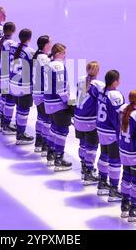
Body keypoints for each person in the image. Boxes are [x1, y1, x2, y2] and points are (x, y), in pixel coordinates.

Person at [118, 90, 136, 222]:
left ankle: (124, 205)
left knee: (126, 177)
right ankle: (134, 208)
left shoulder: (123, 110)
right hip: (135, 154)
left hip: (123, 151)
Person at [96, 70, 124, 201]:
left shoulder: (102, 91)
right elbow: (118, 116)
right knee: (115, 160)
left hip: (101, 128)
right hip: (111, 132)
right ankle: (113, 189)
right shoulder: (115, 95)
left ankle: (102, 182)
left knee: (104, 155)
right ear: (115, 82)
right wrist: (121, 132)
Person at [44, 43, 72, 171]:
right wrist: (70, 103)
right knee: (62, 130)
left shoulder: (48, 64)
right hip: (58, 103)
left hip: (48, 102)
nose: (65, 55)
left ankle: (51, 153)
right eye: (64, 53)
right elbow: (61, 88)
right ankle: (59, 158)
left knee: (54, 128)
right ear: (59, 53)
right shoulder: (59, 66)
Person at [74, 61, 104, 186]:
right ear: (98, 71)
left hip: (78, 118)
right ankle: (89, 171)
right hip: (90, 121)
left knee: (83, 144)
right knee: (91, 147)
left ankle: (84, 167)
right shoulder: (98, 85)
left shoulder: (81, 80)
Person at [9, 29, 35, 145]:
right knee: (23, 110)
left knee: (19, 107)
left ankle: (19, 130)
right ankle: (20, 134)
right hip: (24, 86)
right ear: (29, 38)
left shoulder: (13, 46)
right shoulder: (30, 52)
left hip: (13, 82)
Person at [32, 35, 52, 154]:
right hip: (42, 92)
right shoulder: (44, 59)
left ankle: (38, 143)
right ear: (46, 45)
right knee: (46, 120)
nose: (51, 45)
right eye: (50, 43)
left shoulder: (38, 56)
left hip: (36, 91)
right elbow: (47, 75)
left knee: (40, 118)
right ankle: (45, 145)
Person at [0, 22, 17, 135]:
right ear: (13, 31)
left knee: (4, 98)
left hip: (0, 73)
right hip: (6, 75)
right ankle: (6, 124)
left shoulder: (1, 40)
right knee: (9, 100)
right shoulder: (10, 43)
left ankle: (4, 122)